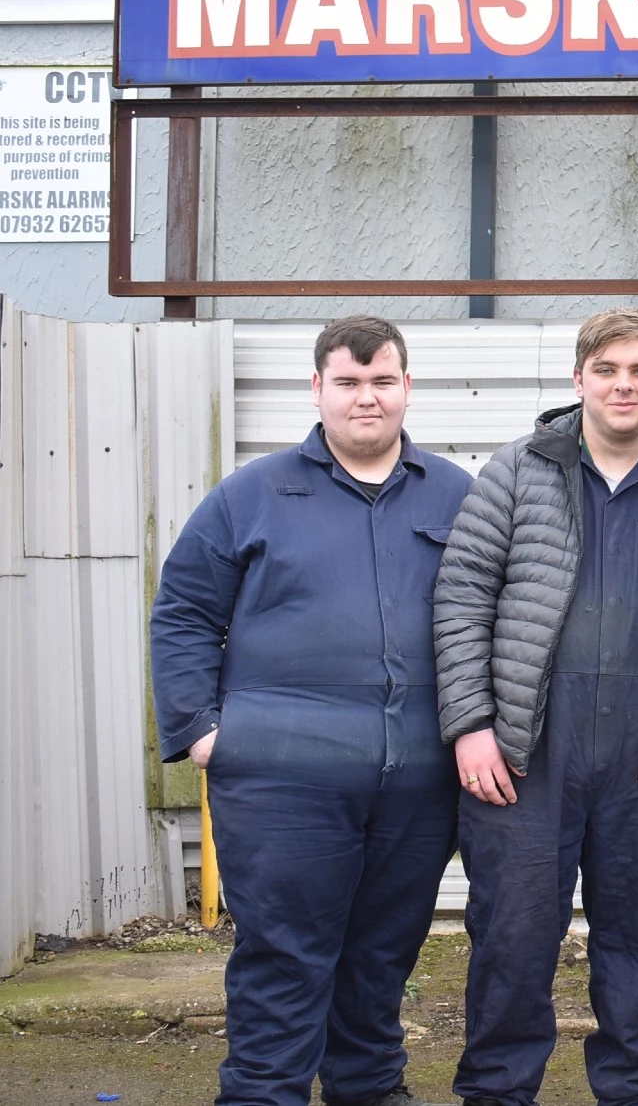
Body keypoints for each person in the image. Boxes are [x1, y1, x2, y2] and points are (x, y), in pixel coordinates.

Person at [150, 315, 473, 1106]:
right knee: (287, 952)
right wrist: (199, 730)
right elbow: (185, 609)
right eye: (349, 382)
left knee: (384, 949)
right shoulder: (252, 495)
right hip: (279, 779)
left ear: (406, 386)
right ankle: (264, 1092)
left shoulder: (459, 495)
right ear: (318, 388)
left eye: (383, 380)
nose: (368, 397)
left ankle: (366, 1086)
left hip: (418, 783)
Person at [432, 307, 638, 1106]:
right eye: (607, 369)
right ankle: (496, 1091)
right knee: (513, 939)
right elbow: (461, 597)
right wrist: (471, 726)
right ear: (578, 379)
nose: (623, 385)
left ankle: (631, 1091)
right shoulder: (519, 469)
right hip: (527, 757)